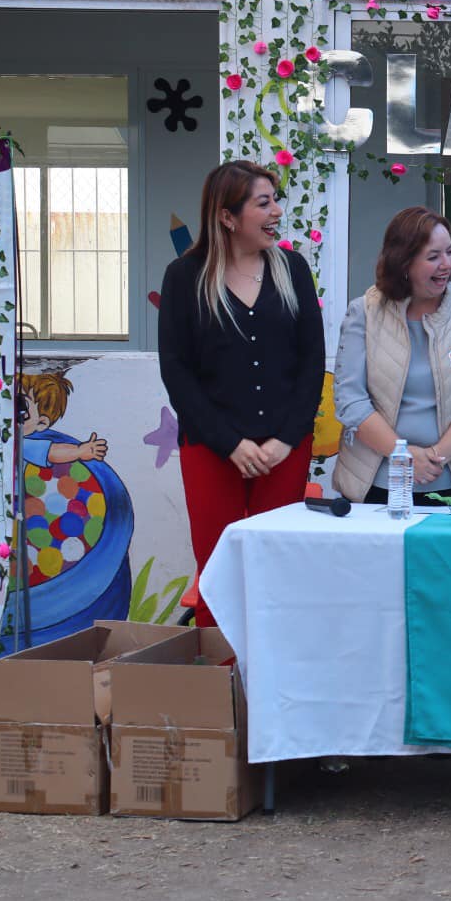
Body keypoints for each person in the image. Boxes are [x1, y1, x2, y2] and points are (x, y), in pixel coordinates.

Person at [158, 160, 325, 627]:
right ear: (228, 217)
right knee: (217, 571)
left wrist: (285, 439)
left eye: (276, 200)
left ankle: (273, 683)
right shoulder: (184, 276)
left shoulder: (292, 268)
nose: (276, 212)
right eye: (263, 203)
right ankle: (222, 681)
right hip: (212, 451)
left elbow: (312, 363)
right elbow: (176, 371)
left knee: (276, 566)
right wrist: (229, 443)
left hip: (283, 450)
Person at [332, 206, 451, 507]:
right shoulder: (365, 312)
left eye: (449, 252)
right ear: (404, 262)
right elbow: (350, 399)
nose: (446, 264)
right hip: (376, 481)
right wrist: (404, 455)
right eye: (433, 257)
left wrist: (436, 456)